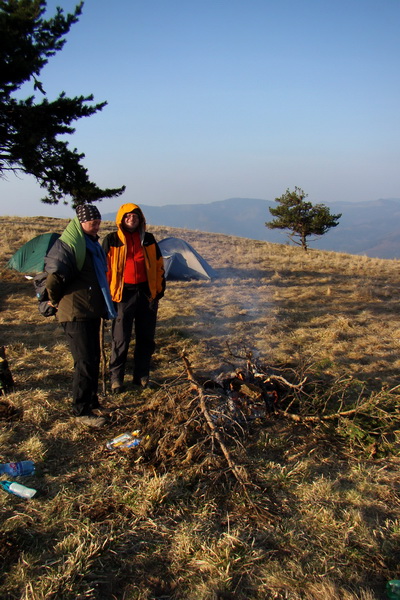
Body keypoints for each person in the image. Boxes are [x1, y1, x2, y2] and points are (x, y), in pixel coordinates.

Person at [44, 204, 117, 427]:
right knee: (84, 362)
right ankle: (81, 411)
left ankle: (92, 401)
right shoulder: (70, 245)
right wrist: (53, 301)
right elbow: (54, 277)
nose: (96, 225)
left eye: (98, 221)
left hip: (90, 310)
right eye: (91, 222)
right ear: (80, 222)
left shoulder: (91, 244)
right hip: (75, 312)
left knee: (93, 358)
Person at [102, 202, 165, 393]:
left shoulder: (149, 239)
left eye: (135, 217)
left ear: (141, 219)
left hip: (146, 293)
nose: (131, 219)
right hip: (122, 294)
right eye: (128, 216)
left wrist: (159, 290)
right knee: (121, 338)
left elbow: (159, 264)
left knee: (146, 337)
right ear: (121, 219)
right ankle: (116, 378)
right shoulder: (112, 240)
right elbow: (103, 268)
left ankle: (142, 376)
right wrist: (106, 296)